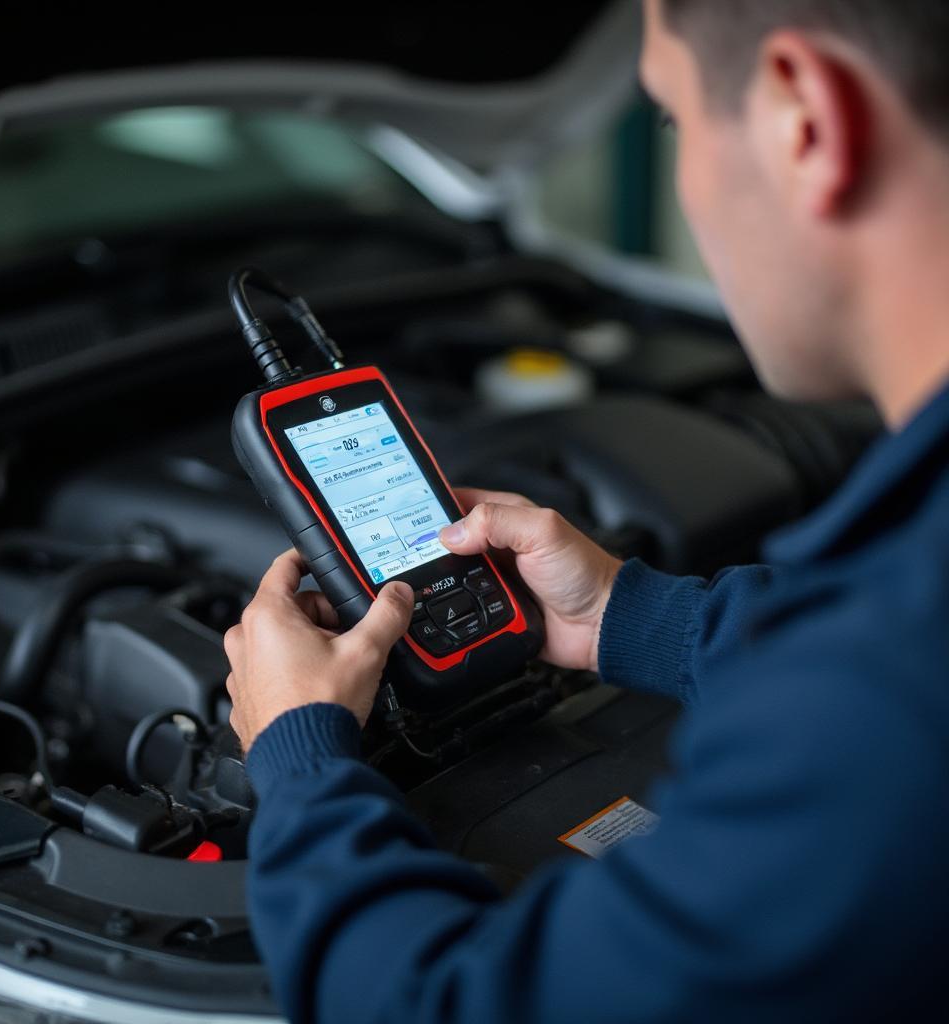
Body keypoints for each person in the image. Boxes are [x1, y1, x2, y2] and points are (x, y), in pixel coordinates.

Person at [223, 1, 949, 1019]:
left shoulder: (878, 701)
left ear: (804, 119)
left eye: (671, 121)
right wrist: (629, 615)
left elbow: (445, 1004)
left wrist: (298, 755)